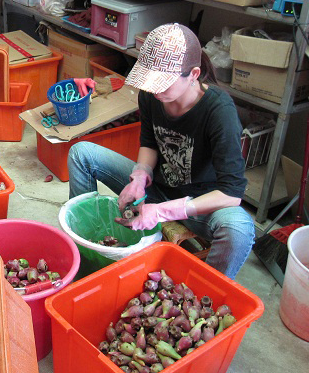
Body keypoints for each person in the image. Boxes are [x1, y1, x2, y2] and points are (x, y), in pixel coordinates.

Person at [67, 23, 255, 279]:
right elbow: (150, 141)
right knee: (82, 154)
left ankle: (202, 295)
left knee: (239, 228)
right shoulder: (152, 96)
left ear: (193, 74)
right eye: (151, 82)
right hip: (157, 188)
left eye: (163, 84)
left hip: (197, 204)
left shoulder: (219, 111)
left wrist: (164, 211)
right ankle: (87, 247)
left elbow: (232, 193)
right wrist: (139, 177)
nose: (155, 90)